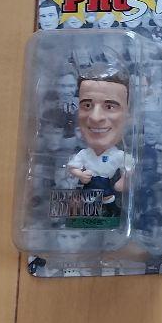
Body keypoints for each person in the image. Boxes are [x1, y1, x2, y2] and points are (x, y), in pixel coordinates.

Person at [66, 62, 133, 216]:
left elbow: (129, 167)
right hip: (88, 191)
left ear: (128, 115)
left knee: (109, 207)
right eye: (87, 105)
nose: (95, 117)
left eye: (109, 107)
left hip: (107, 191)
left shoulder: (118, 155)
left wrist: (124, 180)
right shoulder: (84, 154)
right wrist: (80, 175)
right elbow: (73, 168)